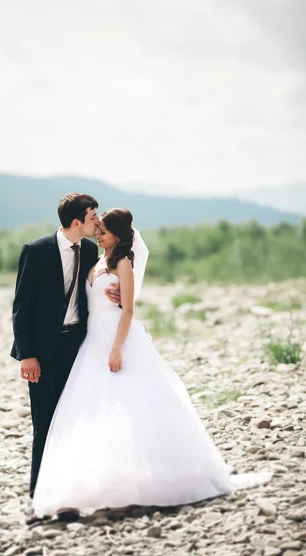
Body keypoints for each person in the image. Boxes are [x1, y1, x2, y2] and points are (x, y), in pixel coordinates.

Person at [32, 208, 271, 517]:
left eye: (104, 230)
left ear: (118, 235)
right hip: (93, 342)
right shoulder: (96, 259)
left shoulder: (123, 263)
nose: (99, 233)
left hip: (117, 339)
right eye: (98, 228)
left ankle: (160, 480)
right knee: (98, 409)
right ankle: (106, 480)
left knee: (137, 403)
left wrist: (117, 349)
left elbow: (128, 310)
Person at [10, 193, 120, 504]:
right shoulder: (35, 251)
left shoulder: (90, 250)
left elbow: (106, 281)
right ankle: (39, 496)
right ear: (76, 222)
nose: (97, 221)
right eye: (93, 216)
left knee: (77, 419)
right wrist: (27, 355)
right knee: (44, 423)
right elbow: (21, 307)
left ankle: (73, 491)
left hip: (79, 346)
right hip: (43, 352)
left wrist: (119, 296)